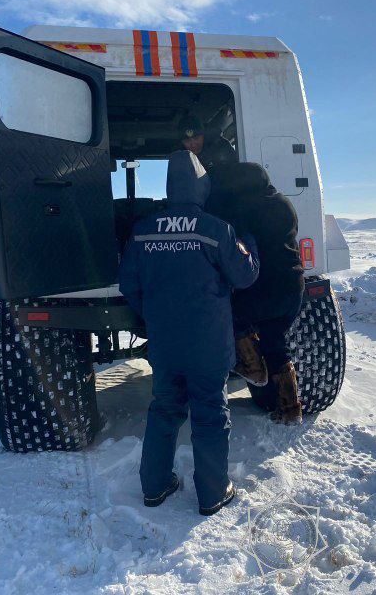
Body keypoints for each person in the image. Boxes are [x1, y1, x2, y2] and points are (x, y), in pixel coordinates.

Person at [119, 150, 259, 515]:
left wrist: (152, 317)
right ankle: (213, 493)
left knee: (165, 408)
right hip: (208, 345)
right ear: (202, 186)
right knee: (210, 412)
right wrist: (250, 243)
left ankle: (154, 486)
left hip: (165, 343)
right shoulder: (216, 230)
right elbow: (245, 276)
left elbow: (128, 285)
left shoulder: (144, 231)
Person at [207, 163, 305, 424]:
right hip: (293, 286)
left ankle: (253, 367)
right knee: (275, 342)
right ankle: (291, 408)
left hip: (264, 286)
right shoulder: (284, 203)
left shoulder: (247, 208)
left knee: (234, 314)